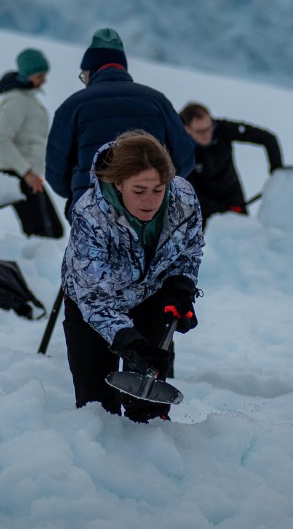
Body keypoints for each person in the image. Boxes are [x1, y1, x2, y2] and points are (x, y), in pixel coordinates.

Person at [61, 130, 205, 422]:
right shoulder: (90, 215)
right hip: (93, 306)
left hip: (151, 296)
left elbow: (189, 251)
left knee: (148, 406)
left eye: (158, 189)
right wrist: (128, 339)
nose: (150, 200)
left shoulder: (184, 199)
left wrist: (181, 287)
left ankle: (151, 451)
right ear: (118, 183)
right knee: (97, 409)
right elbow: (94, 298)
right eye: (139, 190)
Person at [45, 28, 195, 219]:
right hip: (149, 213)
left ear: (90, 71)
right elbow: (185, 158)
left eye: (83, 76)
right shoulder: (157, 102)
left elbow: (55, 172)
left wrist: (81, 190)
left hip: (91, 212)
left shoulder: (72, 106)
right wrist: (155, 187)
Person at [0, 48, 64, 238]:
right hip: (15, 173)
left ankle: (38, 265)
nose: (44, 80)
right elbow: (2, 140)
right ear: (27, 75)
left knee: (51, 230)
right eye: (40, 75)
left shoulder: (27, 99)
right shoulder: (16, 101)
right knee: (44, 232)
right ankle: (33, 266)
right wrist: (26, 171)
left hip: (27, 174)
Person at [179, 101, 284, 226]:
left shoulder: (221, 129)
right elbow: (187, 194)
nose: (207, 135)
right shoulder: (178, 149)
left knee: (247, 238)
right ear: (187, 129)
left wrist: (277, 171)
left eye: (209, 128)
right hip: (200, 207)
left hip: (232, 196)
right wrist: (223, 211)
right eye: (201, 131)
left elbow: (268, 138)